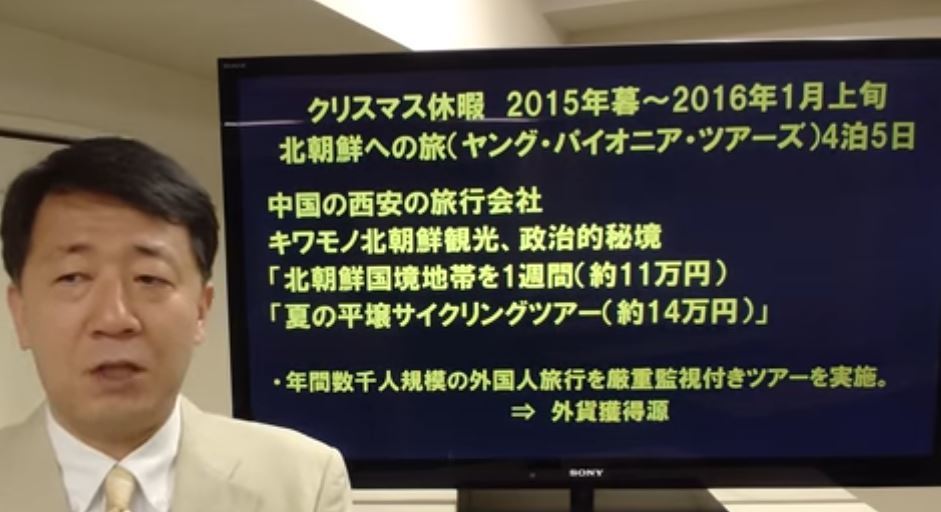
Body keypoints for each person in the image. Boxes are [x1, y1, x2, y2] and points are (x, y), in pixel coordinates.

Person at [0, 137, 352, 511]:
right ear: (20, 313)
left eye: (149, 278)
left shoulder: (301, 483)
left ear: (201, 309)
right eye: (73, 277)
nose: (115, 318)